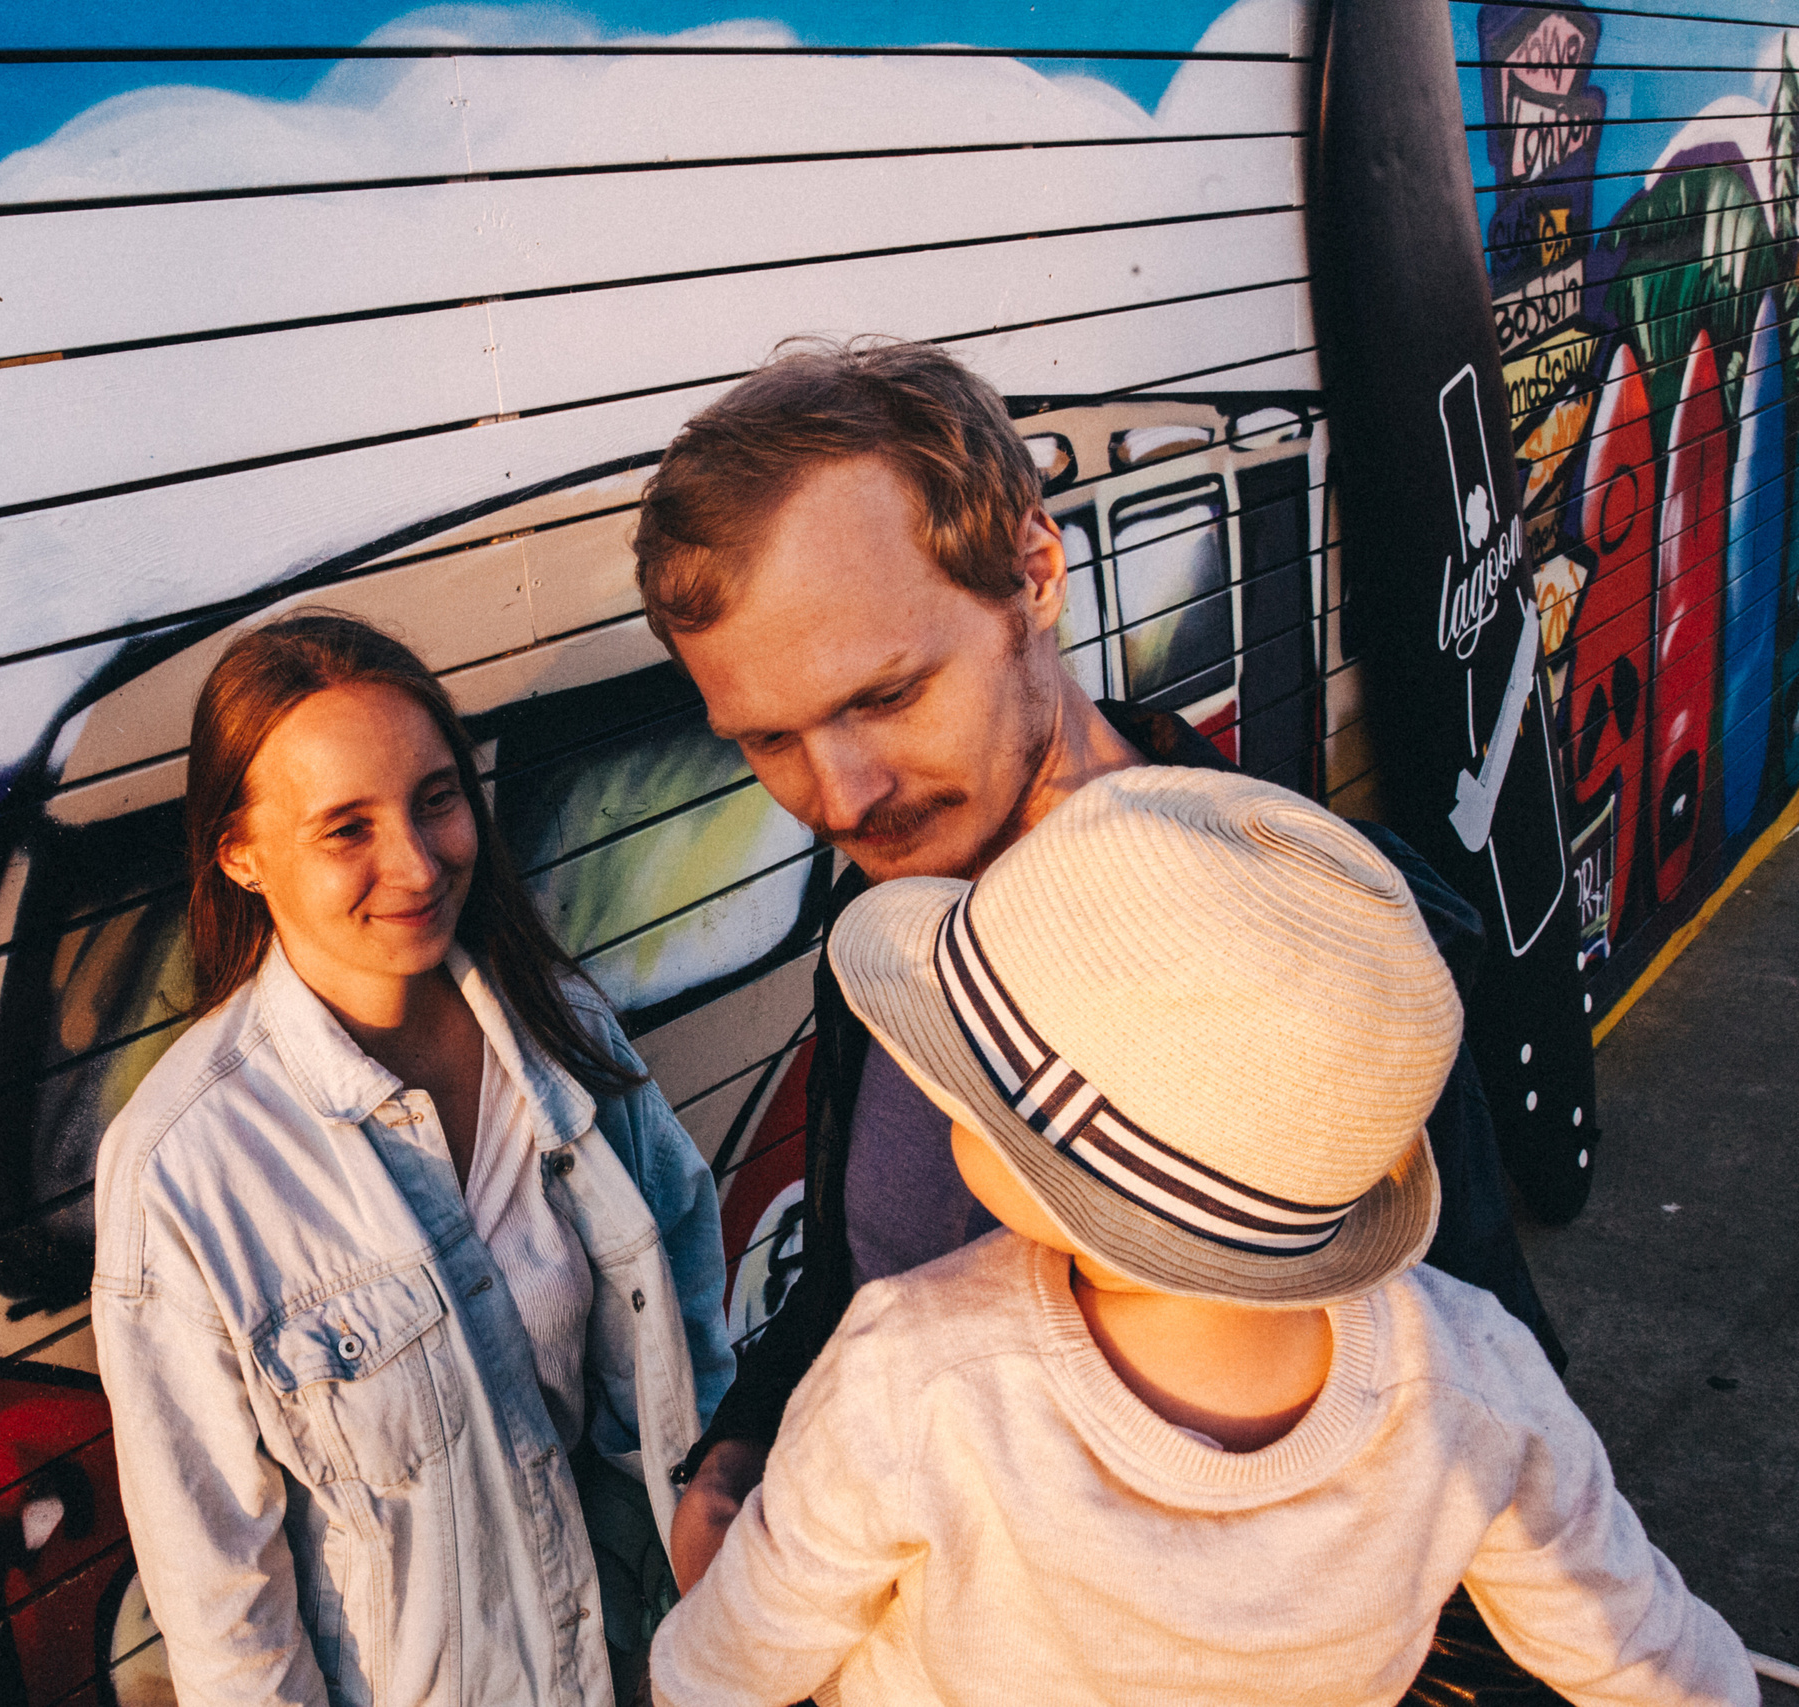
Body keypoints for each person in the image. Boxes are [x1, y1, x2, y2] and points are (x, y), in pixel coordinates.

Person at [634, 335, 1560, 1571]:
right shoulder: (891, 942)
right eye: (768, 740)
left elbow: (1493, 1399)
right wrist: (747, 1445)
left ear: (1033, 571)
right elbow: (866, 1275)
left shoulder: (1319, 954)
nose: (841, 799)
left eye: (886, 697)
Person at [647, 767, 1755, 1707]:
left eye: (966, 1085)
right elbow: (1647, 1655)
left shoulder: (917, 1371)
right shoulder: (1469, 1380)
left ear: (1065, 1175)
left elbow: (733, 1661)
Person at [90, 611, 734, 1707]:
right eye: (346, 828)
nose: (417, 861)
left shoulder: (560, 1033)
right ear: (239, 852)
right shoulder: (185, 1169)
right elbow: (224, 1612)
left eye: (435, 799)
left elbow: (683, 1315)